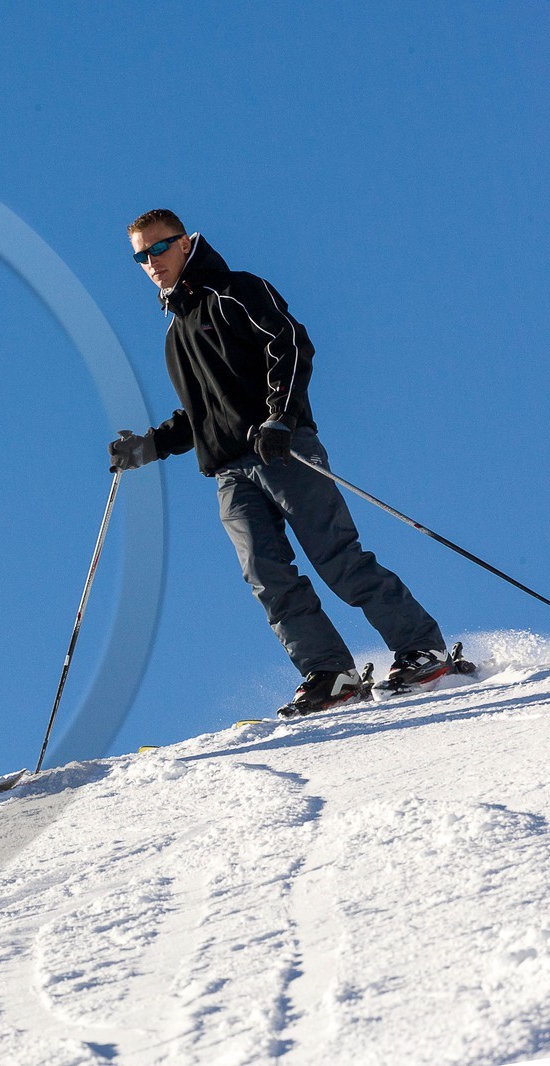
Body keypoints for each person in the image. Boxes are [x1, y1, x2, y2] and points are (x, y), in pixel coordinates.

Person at [109, 209, 454, 716]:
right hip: (230, 471)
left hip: (282, 451)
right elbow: (203, 413)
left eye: (159, 248)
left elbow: (289, 344)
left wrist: (280, 418)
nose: (151, 262)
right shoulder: (175, 335)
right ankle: (330, 673)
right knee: (265, 576)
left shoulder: (235, 291)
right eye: (141, 256)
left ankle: (421, 647)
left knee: (336, 557)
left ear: (184, 243)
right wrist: (150, 446)